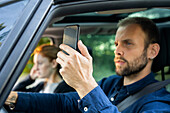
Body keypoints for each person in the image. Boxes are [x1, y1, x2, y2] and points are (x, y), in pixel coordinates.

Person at [5, 17, 170, 113]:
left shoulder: (158, 104)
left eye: (128, 44)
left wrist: (85, 84)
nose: (117, 50)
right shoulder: (110, 84)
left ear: (152, 51)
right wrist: (11, 97)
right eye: (116, 44)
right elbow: (62, 102)